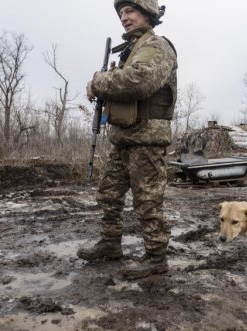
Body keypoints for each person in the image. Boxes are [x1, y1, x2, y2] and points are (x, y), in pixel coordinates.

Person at [77, 0, 177, 280]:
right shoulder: (131, 51)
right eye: (121, 13)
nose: (124, 17)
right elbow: (122, 84)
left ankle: (156, 256)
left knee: (147, 200)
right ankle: (110, 243)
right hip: (123, 138)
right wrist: (104, 87)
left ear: (147, 13)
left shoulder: (157, 47)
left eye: (130, 11)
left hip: (146, 139)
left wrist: (98, 81)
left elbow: (139, 81)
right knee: (109, 194)